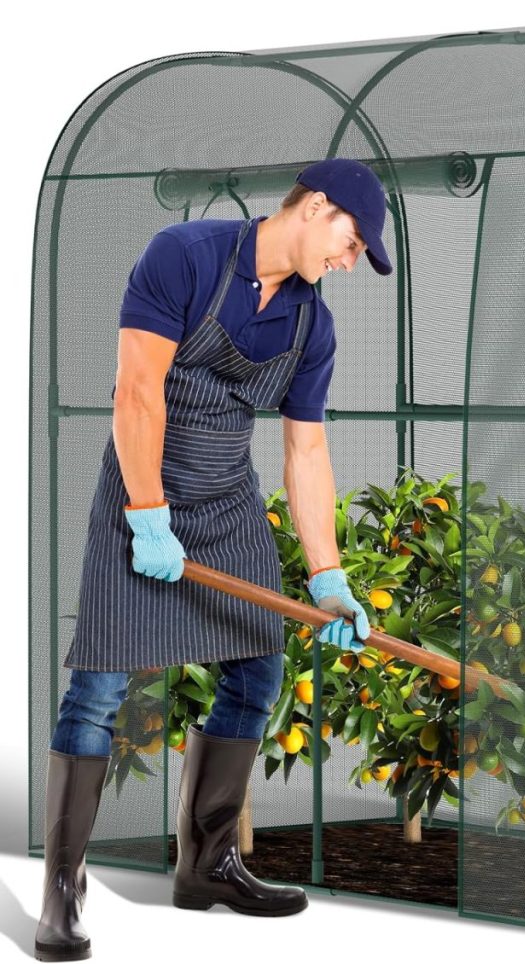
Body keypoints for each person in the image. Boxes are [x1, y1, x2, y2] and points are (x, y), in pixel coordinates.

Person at [35, 158, 393, 963]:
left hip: (228, 498)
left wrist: (329, 579)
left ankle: (207, 864)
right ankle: (65, 887)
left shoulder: (312, 325)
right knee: (99, 687)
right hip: (144, 488)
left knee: (259, 671)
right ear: (318, 206)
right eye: (351, 239)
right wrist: (149, 517)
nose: (347, 259)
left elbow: (306, 453)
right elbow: (138, 392)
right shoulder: (185, 256)